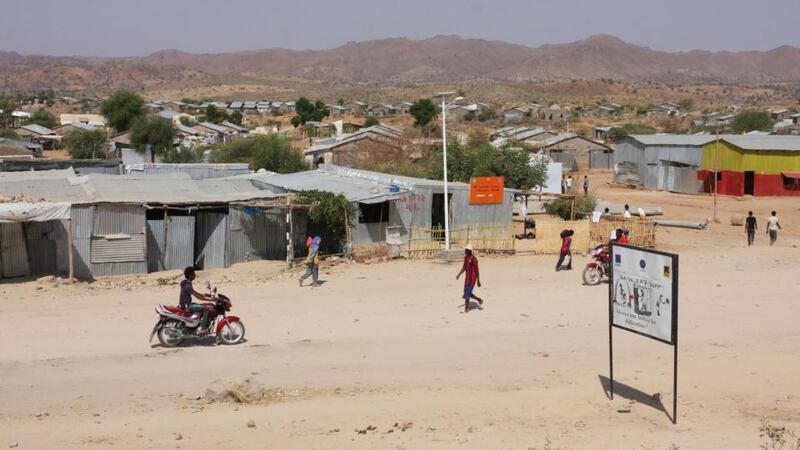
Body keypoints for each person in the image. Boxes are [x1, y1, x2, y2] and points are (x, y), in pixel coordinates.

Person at [180, 267, 212, 334]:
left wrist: (204, 294)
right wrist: (209, 299)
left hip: (185, 304)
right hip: (187, 306)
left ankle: (197, 324)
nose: (195, 275)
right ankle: (203, 329)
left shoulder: (186, 283)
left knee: (201, 306)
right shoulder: (188, 285)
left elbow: (195, 293)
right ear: (190, 275)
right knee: (206, 309)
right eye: (193, 273)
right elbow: (197, 296)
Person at [456, 244, 482, 313]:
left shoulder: (474, 259)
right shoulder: (466, 258)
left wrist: (478, 280)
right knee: (467, 292)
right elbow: (464, 267)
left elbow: (477, 270)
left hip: (472, 279)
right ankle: (478, 299)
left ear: (469, 251)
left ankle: (466, 309)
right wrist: (459, 274)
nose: (465, 251)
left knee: (467, 293)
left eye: (466, 250)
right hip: (467, 278)